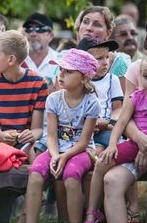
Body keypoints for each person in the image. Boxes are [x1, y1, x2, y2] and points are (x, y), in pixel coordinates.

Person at [25, 49, 100, 223]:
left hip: (81, 150)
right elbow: (50, 136)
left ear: (84, 78)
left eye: (69, 71)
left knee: (71, 176)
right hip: (56, 148)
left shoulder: (91, 103)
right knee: (35, 173)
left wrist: (65, 157)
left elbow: (84, 142)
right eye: (61, 70)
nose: (61, 75)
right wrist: (56, 155)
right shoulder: (53, 99)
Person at [86, 53, 147, 223]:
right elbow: (121, 122)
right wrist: (112, 144)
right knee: (102, 162)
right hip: (135, 143)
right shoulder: (137, 97)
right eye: (145, 76)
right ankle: (92, 211)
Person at [0, 30, 48, 162]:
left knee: (34, 152)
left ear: (11, 59)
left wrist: (31, 135)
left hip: (26, 142)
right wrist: (1, 135)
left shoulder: (38, 82)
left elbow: (37, 129)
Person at [77, 37, 123, 155]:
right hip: (80, 128)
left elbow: (117, 108)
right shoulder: (78, 81)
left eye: (107, 57)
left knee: (111, 145)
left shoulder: (113, 79)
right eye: (99, 58)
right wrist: (89, 124)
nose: (105, 62)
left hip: (105, 127)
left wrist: (110, 123)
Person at [74, 6, 130, 88]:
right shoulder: (67, 60)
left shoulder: (118, 65)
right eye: (85, 22)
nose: (89, 28)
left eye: (97, 25)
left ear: (108, 33)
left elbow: (123, 99)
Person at [22, 12, 59, 89]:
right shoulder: (16, 61)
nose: (33, 33)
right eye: (29, 29)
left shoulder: (60, 62)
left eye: (39, 29)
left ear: (51, 36)